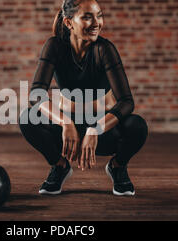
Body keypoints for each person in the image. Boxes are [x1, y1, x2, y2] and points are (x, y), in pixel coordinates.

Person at [19, 0, 148, 196]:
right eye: (87, 17)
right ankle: (60, 166)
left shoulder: (105, 49)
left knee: (137, 126)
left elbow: (126, 102)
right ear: (69, 23)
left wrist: (96, 129)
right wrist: (65, 123)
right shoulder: (54, 46)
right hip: (67, 133)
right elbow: (37, 94)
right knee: (27, 117)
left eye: (99, 15)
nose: (97, 23)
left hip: (103, 133)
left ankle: (117, 167)